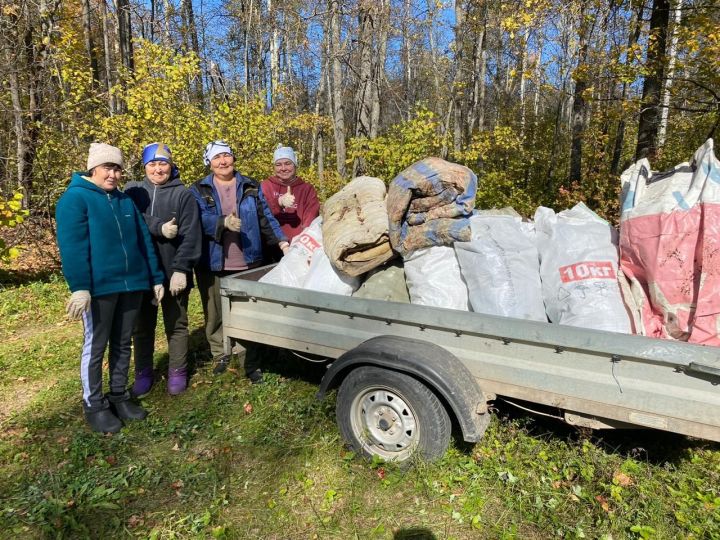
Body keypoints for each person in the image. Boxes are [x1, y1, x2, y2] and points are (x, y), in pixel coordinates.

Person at [56, 143, 165, 434]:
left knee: (122, 342)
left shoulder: (124, 201)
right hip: (99, 289)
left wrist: (155, 278)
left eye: (117, 168)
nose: (114, 174)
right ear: (94, 168)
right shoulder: (74, 199)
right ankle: (94, 404)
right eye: (108, 168)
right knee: (96, 346)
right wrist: (80, 287)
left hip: (131, 285)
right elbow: (73, 248)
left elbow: (144, 242)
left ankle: (119, 395)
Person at [190, 140, 290, 382]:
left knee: (247, 312)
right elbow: (195, 219)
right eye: (217, 158)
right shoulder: (198, 189)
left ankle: (249, 359)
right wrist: (221, 222)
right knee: (214, 314)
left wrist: (283, 242)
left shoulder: (250, 186)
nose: (223, 161)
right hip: (213, 261)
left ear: (233, 158)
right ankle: (221, 354)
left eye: (226, 156)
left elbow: (266, 217)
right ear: (210, 163)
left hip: (247, 260)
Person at [125, 143, 201, 396]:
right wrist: (158, 226)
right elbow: (131, 218)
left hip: (173, 272)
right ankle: (143, 372)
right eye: (152, 164)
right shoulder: (133, 191)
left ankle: (177, 371)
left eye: (163, 163)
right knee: (141, 326)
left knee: (176, 324)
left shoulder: (183, 194)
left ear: (171, 166)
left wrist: (181, 268)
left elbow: (191, 235)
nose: (158, 169)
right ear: (144, 167)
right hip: (141, 272)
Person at [260, 145, 320, 260]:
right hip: (271, 247)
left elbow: (310, 219)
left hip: (298, 247)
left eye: (288, 163)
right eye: (278, 164)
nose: (283, 168)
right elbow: (261, 214)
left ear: (295, 164)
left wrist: (301, 242)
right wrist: (278, 202)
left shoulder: (306, 189)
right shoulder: (265, 186)